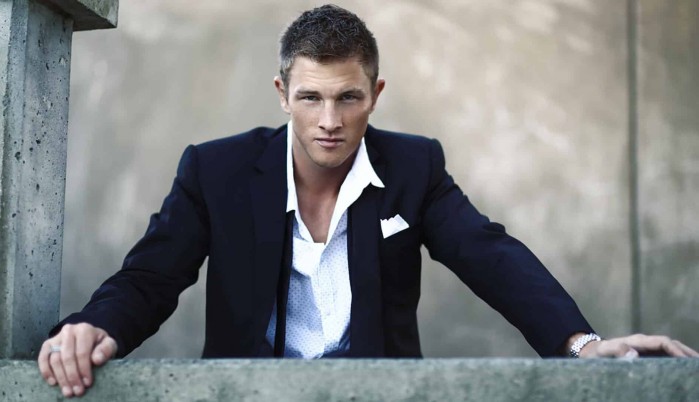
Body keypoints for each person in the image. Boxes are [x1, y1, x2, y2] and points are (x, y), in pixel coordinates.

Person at [38, 4, 698, 398]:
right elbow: (152, 276)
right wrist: (97, 327)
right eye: (310, 97)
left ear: (375, 95)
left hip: (377, 397)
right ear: (282, 93)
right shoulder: (217, 170)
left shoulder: (413, 166)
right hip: (249, 396)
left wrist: (580, 345)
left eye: (348, 98)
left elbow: (488, 255)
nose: (329, 120)